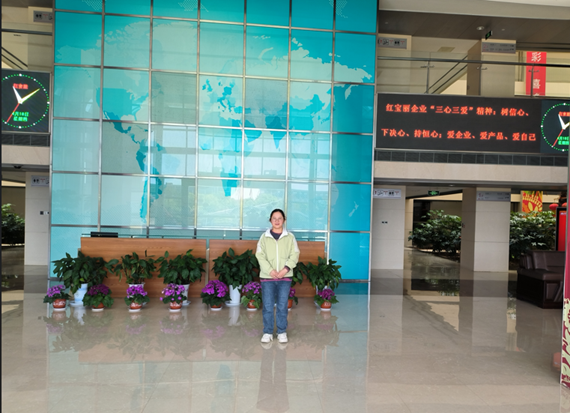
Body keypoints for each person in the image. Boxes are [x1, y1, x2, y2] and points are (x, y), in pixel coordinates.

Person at [256, 209, 300, 345]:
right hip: (267, 277)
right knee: (268, 306)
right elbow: (259, 255)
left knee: (282, 306)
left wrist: (285, 269)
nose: (277, 221)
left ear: (284, 220)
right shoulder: (264, 237)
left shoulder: (290, 237)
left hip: (284, 277)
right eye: (274, 218)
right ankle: (267, 332)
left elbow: (295, 254)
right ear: (270, 220)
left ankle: (281, 332)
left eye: (279, 218)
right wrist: (270, 271)